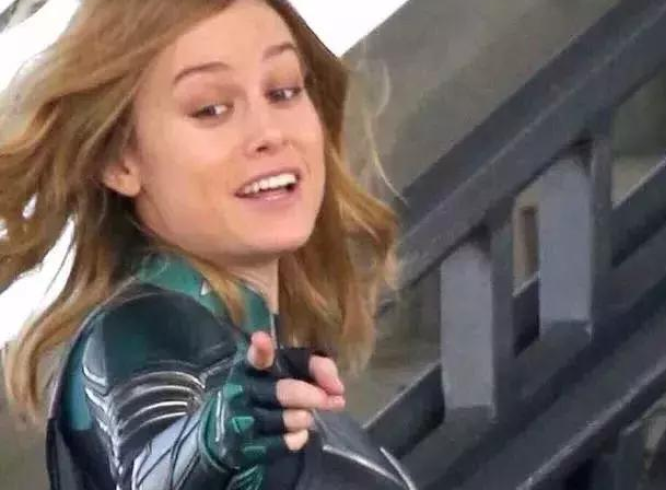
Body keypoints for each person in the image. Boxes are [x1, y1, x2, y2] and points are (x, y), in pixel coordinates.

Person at [0, 1, 415, 489]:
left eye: (284, 91)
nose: (268, 133)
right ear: (119, 160)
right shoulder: (139, 329)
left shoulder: (269, 377)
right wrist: (216, 438)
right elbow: (153, 467)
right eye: (211, 109)